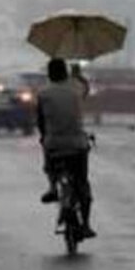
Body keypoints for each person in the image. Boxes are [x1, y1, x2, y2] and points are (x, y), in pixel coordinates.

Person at [36, 58, 95, 238]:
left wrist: (45, 136)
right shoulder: (76, 90)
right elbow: (86, 89)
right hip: (77, 145)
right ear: (65, 73)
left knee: (48, 155)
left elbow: (40, 121)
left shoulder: (43, 93)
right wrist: (78, 76)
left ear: (49, 74)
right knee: (82, 183)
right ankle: (85, 224)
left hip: (54, 145)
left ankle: (53, 186)